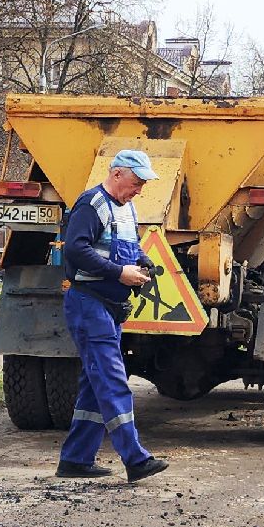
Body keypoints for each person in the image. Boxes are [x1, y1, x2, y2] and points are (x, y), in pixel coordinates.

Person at [54, 149, 169, 483]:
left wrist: (142, 260)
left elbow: (128, 245)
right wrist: (120, 273)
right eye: (136, 182)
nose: (139, 190)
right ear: (117, 174)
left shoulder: (126, 208)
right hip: (89, 305)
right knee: (113, 380)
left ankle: (75, 460)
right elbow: (76, 249)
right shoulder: (92, 205)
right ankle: (136, 459)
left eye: (143, 184)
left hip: (108, 308)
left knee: (95, 385)